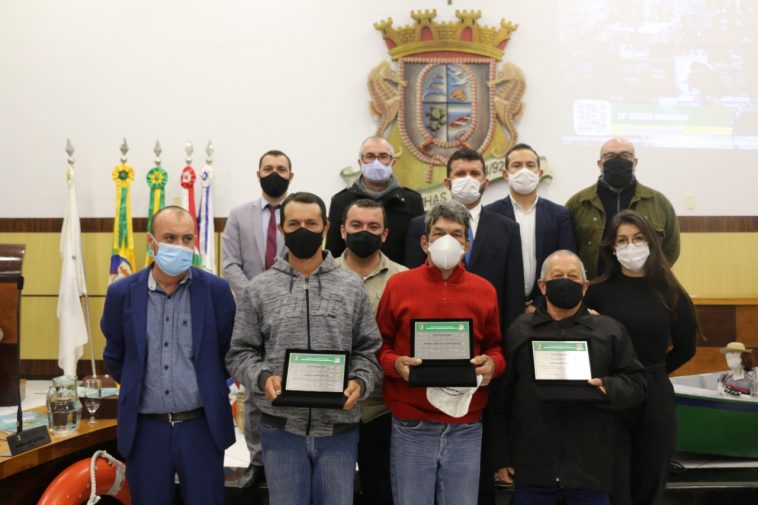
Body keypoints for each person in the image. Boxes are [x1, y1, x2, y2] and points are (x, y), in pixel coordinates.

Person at [225, 192, 382, 505]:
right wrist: (263, 377)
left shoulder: (351, 286)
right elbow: (239, 353)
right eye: (294, 224)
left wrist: (360, 381)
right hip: (281, 430)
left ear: (326, 228)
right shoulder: (259, 288)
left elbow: (369, 350)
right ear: (281, 229)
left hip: (338, 430)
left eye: (311, 223)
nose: (303, 230)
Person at [102, 206, 236, 505]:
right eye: (170, 238)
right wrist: (138, 383)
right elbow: (115, 355)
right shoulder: (122, 293)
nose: (179, 245)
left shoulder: (216, 290)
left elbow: (228, 352)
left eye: (187, 238)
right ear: (151, 242)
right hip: (146, 429)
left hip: (201, 427)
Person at [490, 250, 647, 505]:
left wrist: (608, 387)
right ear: (542, 285)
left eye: (573, 277)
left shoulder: (609, 330)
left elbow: (637, 383)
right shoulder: (520, 330)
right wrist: (501, 456)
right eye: (557, 276)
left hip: (589, 467)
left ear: (585, 287)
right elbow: (501, 398)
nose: (565, 282)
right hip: (532, 465)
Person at [377, 200, 506, 505]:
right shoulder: (398, 285)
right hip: (412, 424)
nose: (447, 240)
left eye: (456, 234)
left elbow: (495, 348)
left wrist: (492, 365)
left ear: (466, 244)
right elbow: (380, 346)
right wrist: (396, 364)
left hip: (465, 424)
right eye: (439, 233)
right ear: (425, 242)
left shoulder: (484, 289)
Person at [585, 209, 698, 505]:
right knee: (615, 486)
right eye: (622, 240)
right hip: (610, 395)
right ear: (612, 247)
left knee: (650, 485)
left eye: (637, 238)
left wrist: (654, 372)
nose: (630, 246)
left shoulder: (671, 291)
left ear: (651, 242)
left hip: (655, 396)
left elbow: (686, 348)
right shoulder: (595, 293)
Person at [221, 148, 294, 487]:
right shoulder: (239, 215)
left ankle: (290, 456)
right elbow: (230, 264)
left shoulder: (300, 211)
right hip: (249, 312)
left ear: (291, 175)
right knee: (254, 389)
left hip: (290, 311)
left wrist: (279, 298)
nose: (274, 173)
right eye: (268, 168)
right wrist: (257, 296)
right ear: (258, 174)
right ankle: (258, 460)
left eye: (281, 168)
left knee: (289, 382)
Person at [405, 148, 525, 333]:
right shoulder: (420, 224)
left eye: (475, 173)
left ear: (485, 183)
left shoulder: (508, 229)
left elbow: (513, 292)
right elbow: (411, 283)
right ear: (448, 183)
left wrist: (511, 338)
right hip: (431, 327)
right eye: (460, 174)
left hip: (486, 328)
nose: (468, 179)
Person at [336, 198, 407, 505]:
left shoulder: (404, 280)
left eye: (373, 226)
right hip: (332, 406)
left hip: (384, 408)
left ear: (385, 234)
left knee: (383, 493)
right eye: (356, 225)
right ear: (342, 231)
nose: (364, 232)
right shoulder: (321, 275)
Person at [566, 137, 680, 279]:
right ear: (600, 163)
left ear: (635, 162)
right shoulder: (578, 203)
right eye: (610, 156)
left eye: (625, 155)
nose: (618, 160)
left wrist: (652, 274)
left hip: (645, 285)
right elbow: (567, 250)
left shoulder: (658, 202)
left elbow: (671, 248)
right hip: (593, 285)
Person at [486, 143, 576, 309]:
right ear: (506, 174)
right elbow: (490, 265)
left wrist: (540, 303)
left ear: (539, 173)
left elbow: (566, 263)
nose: (524, 171)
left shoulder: (559, 215)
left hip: (547, 306)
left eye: (530, 165)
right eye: (517, 165)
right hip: (502, 305)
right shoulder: (490, 214)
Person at [326, 136, 424, 264]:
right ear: (360, 162)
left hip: (400, 274)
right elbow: (333, 253)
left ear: (393, 162)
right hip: (351, 275)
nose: (376, 162)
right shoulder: (341, 201)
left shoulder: (412, 201)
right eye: (370, 156)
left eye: (383, 156)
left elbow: (417, 251)